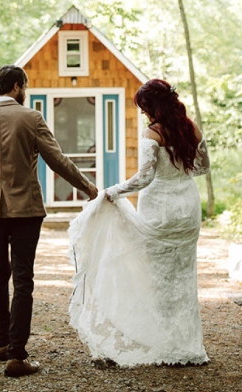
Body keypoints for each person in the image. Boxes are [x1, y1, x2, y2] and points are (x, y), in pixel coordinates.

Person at [0, 65, 98, 378]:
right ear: (17, 86)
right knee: (23, 278)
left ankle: (3, 344)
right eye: (26, 86)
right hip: (25, 210)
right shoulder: (31, 117)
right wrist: (88, 187)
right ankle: (18, 355)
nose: (27, 91)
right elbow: (57, 161)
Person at [68, 78, 210, 367]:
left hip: (160, 210)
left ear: (154, 105)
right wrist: (179, 171)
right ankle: (186, 346)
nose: (144, 113)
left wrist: (111, 192)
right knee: (183, 278)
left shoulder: (152, 133)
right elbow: (203, 168)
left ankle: (159, 342)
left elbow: (145, 178)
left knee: (155, 279)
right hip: (187, 210)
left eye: (144, 106)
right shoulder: (191, 127)